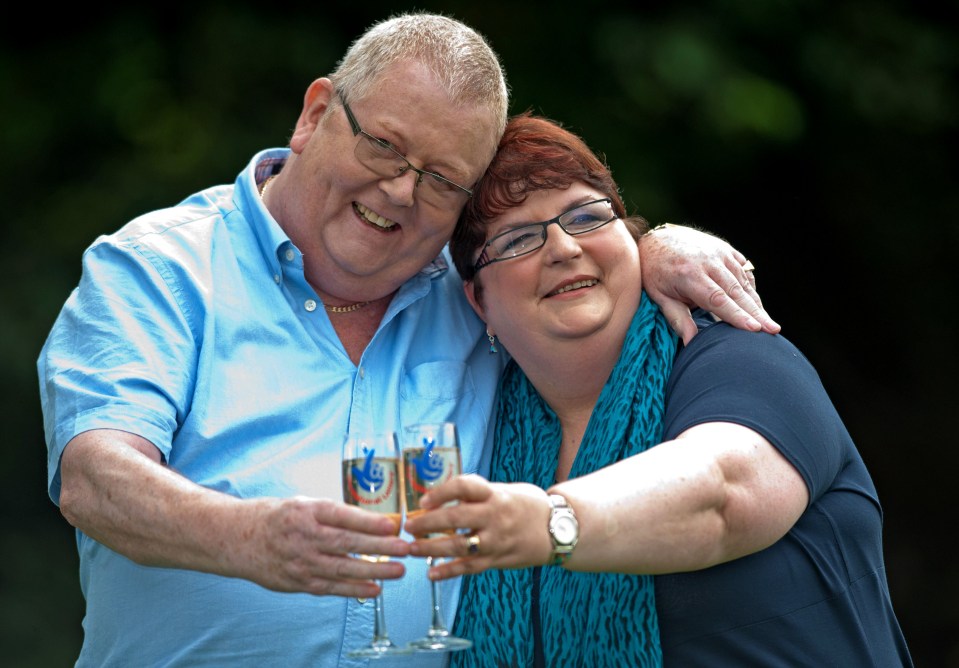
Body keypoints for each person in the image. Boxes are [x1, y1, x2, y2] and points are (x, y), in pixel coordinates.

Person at [37, 13, 778, 668]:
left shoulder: (471, 294)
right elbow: (95, 481)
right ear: (316, 113)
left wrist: (658, 247)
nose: (399, 192)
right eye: (385, 148)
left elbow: (568, 264)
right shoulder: (161, 268)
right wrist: (248, 537)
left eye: (441, 180)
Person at [405, 111, 913, 667]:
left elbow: (721, 493)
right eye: (519, 238)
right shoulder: (479, 424)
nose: (563, 248)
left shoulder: (740, 357)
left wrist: (550, 523)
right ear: (477, 300)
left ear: (630, 237)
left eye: (584, 217)